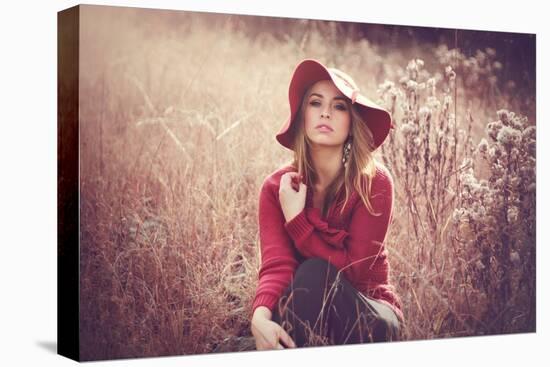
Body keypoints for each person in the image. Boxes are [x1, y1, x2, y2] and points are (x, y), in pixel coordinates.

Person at [250, 59, 403, 350]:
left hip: (368, 312)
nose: (326, 112)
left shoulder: (374, 182)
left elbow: (355, 271)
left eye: (340, 105)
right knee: (299, 290)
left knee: (313, 272)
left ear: (352, 121)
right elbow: (277, 265)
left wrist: (299, 223)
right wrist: (259, 319)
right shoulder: (277, 188)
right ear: (302, 116)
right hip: (305, 310)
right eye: (315, 103)